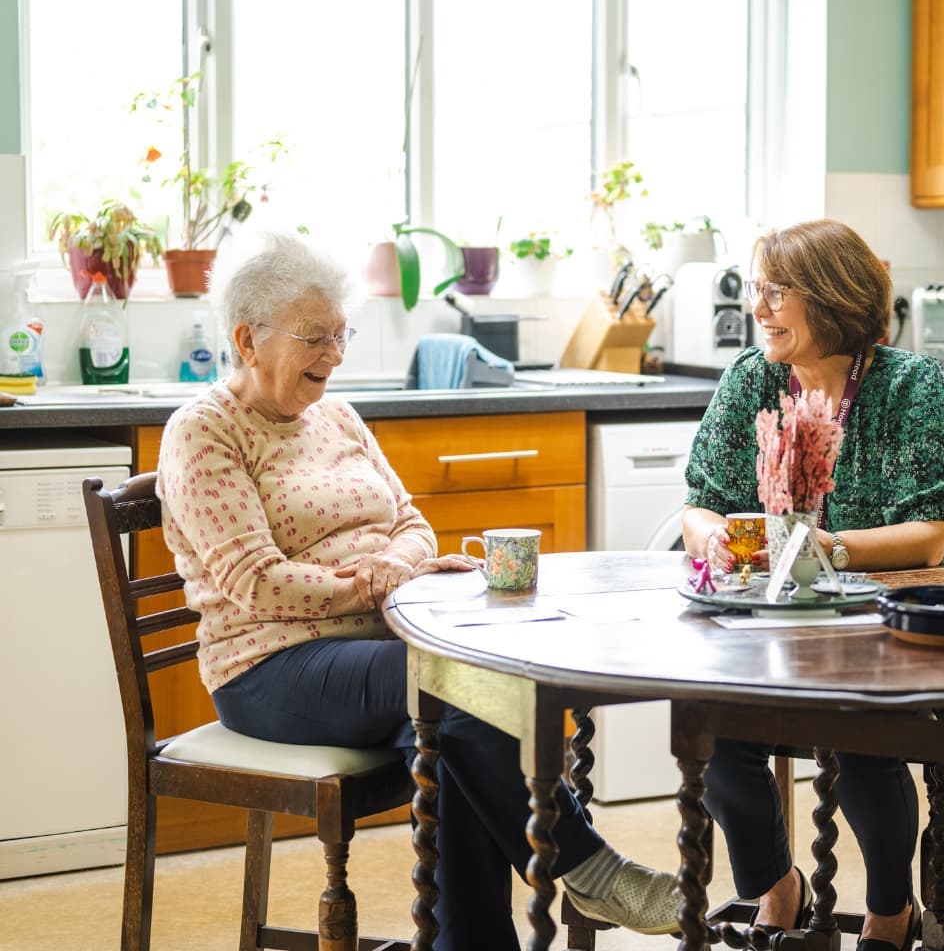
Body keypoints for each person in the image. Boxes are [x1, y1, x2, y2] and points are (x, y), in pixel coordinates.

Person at [156, 227, 679, 949]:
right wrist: (374, 586)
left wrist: (394, 570)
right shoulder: (205, 432)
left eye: (342, 335)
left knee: (456, 731)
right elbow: (257, 583)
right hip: (268, 666)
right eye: (316, 339)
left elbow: (411, 523)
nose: (335, 357)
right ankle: (588, 869)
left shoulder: (335, 415)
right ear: (248, 340)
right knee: (451, 691)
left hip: (375, 648)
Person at [682, 219, 944, 951]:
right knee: (711, 734)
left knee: (864, 738)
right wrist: (716, 537)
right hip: (775, 623)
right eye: (758, 291)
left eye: (777, 292)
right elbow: (700, 499)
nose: (759, 308)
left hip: (890, 620)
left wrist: (824, 549)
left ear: (833, 298)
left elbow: (932, 533)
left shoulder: (913, 388)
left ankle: (888, 916)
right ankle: (778, 887)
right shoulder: (752, 378)